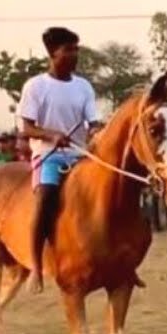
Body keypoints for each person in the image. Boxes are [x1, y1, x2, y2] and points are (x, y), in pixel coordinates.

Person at [17, 27, 102, 293]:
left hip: (80, 156)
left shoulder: (83, 86)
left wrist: (98, 133)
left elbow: (94, 121)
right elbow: (26, 128)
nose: (75, 54)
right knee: (45, 198)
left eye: (76, 48)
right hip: (49, 156)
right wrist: (52, 135)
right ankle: (35, 267)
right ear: (53, 53)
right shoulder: (36, 86)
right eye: (69, 49)